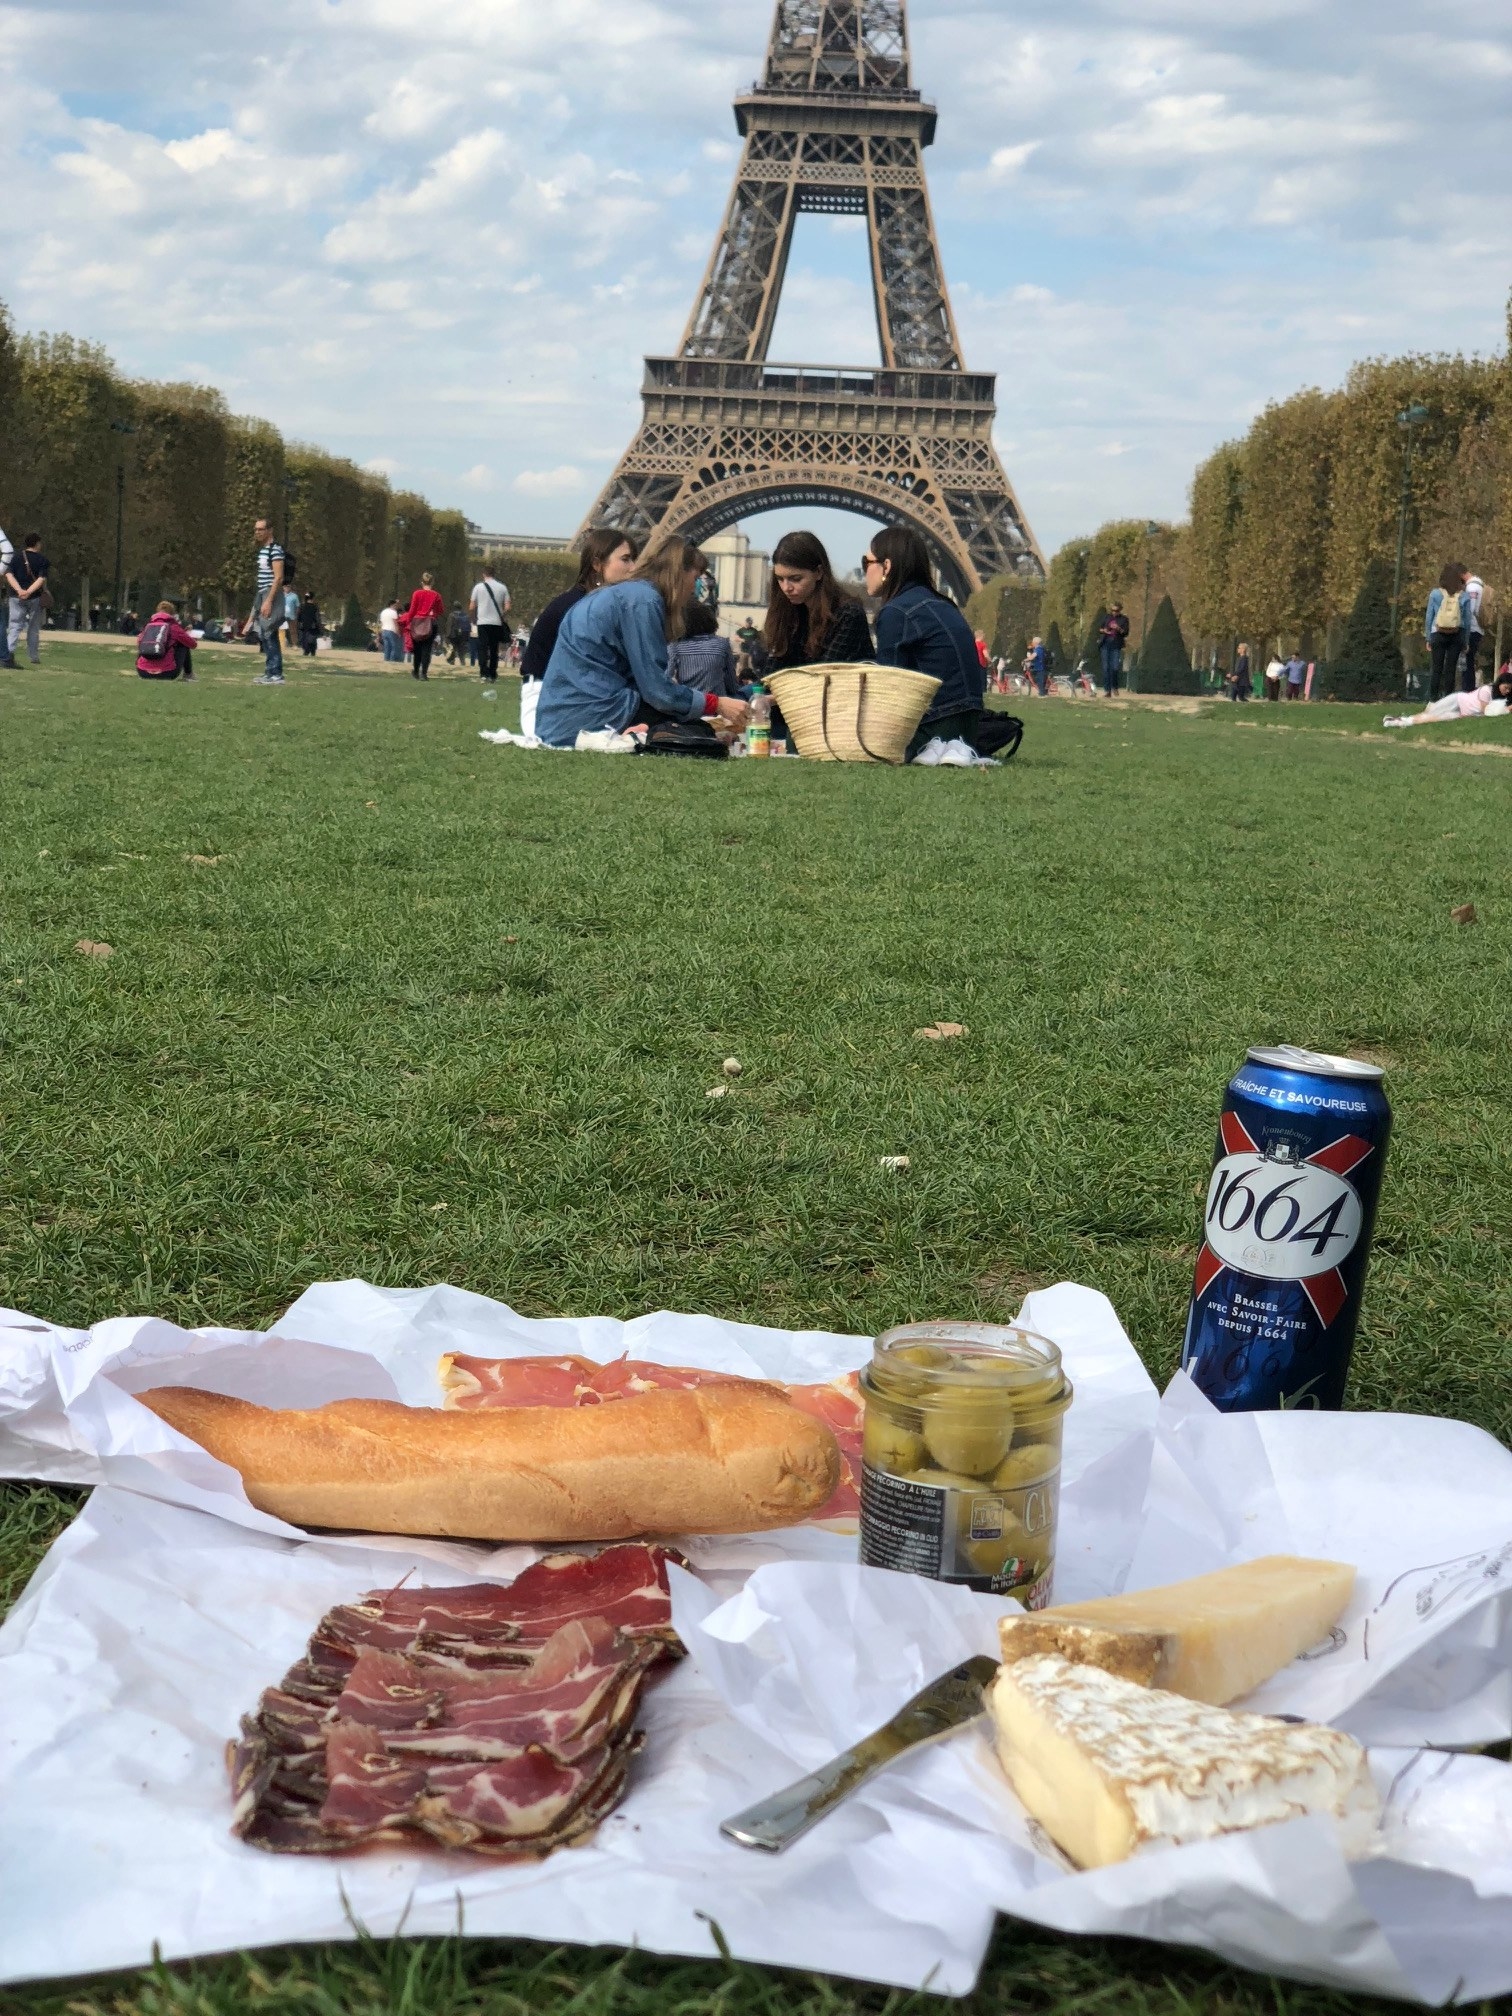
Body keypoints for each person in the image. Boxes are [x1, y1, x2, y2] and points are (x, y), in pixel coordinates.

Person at [535, 536, 752, 748]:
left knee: (690, 729)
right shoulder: (643, 600)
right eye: (695, 578)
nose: (695, 589)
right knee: (696, 733)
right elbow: (657, 690)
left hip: (563, 719)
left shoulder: (621, 594)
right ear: (678, 574)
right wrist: (717, 703)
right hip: (592, 715)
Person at [865, 526, 989, 760]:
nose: (864, 572)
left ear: (887, 567)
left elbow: (888, 690)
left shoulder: (895, 612)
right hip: (969, 727)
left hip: (934, 727)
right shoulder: (944, 604)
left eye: (867, 563)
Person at [521, 527, 639, 738]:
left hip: (571, 691)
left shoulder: (587, 603)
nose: (633, 567)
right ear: (597, 564)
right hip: (548, 695)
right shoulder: (580, 607)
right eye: (626, 559)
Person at [667, 581, 741, 697]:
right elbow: (731, 684)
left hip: (692, 705)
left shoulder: (676, 646)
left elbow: (666, 678)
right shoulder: (722, 644)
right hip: (719, 707)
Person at [244, 517, 287, 684]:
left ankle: (275, 673)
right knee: (266, 633)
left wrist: (268, 600)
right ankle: (271, 672)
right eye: (256, 529)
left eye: (260, 529)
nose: (257, 532)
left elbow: (278, 578)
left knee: (269, 633)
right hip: (263, 592)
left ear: (270, 530)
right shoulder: (263, 551)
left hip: (271, 593)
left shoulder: (275, 550)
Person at [1425, 564, 1471, 701]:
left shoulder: (1435, 594)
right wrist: (1466, 641)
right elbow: (1467, 621)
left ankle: (1433, 699)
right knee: (1451, 669)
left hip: (1438, 633)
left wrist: (1428, 637)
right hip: (1456, 635)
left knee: (1436, 668)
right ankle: (1448, 699)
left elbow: (1429, 617)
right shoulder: (1464, 596)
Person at [5, 534, 51, 666]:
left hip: (15, 596)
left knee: (14, 626)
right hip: (34, 597)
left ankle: (9, 652)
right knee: (33, 627)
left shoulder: (15, 557)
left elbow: (8, 574)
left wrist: (19, 590)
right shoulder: (42, 560)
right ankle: (33, 656)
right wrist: (29, 591)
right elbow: (41, 579)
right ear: (37, 543)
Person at [1384, 682, 1499, 728]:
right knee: (1432, 712)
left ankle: (1401, 722)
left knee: (1435, 718)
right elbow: (1486, 711)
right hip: (1458, 700)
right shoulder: (1487, 690)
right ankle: (1403, 720)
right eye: (1506, 687)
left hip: (1462, 713)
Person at [135, 601, 198, 680]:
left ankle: (146, 666)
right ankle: (188, 674)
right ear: (172, 614)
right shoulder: (174, 627)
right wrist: (186, 633)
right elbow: (193, 644)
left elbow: (138, 642)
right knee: (183, 644)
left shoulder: (147, 627)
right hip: (167, 672)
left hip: (143, 672)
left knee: (144, 645)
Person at [470, 567, 512, 684]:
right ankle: (492, 674)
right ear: (494, 574)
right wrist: (502, 614)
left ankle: (483, 673)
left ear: (484, 574)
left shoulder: (478, 587)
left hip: (482, 622)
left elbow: (472, 606)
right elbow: (508, 606)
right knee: (494, 649)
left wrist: (474, 617)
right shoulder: (502, 587)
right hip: (496, 622)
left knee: (482, 648)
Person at [400, 572, 445, 679]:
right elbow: (441, 610)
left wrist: (409, 621)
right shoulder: (436, 595)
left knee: (417, 649)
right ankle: (424, 673)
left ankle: (415, 671)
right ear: (432, 583)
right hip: (431, 622)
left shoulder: (417, 593)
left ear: (421, 582)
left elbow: (412, 610)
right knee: (427, 649)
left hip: (417, 622)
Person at [1098, 605, 1130, 696]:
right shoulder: (1107, 617)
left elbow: (1126, 633)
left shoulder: (1124, 619)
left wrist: (1118, 628)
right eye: (1112, 610)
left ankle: (1115, 686)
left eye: (1116, 611)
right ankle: (1107, 690)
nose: (1114, 612)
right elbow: (1100, 629)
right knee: (1106, 668)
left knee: (1115, 668)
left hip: (1116, 646)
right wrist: (1104, 630)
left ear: (1119, 611)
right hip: (1105, 645)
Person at [1463, 570, 1486, 690]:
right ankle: (1469, 690)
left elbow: (1470, 610)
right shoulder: (1481, 586)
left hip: (1472, 628)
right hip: (1479, 628)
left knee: (1467, 662)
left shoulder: (1471, 588)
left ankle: (1467, 690)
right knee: (1470, 661)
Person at [297, 592, 321, 658]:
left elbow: (298, 616)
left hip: (304, 626)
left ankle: (306, 651)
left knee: (304, 639)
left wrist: (299, 623)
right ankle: (313, 652)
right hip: (312, 626)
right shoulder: (315, 607)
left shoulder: (301, 606)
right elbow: (317, 618)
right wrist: (319, 627)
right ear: (313, 598)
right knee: (312, 640)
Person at [378, 599, 403, 664]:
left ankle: (386, 659)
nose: (397, 606)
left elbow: (381, 622)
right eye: (396, 605)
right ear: (393, 605)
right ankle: (392, 660)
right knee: (394, 647)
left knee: (387, 646)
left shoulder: (384, 611)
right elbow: (395, 623)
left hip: (384, 630)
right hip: (391, 630)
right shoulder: (393, 612)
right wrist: (398, 632)